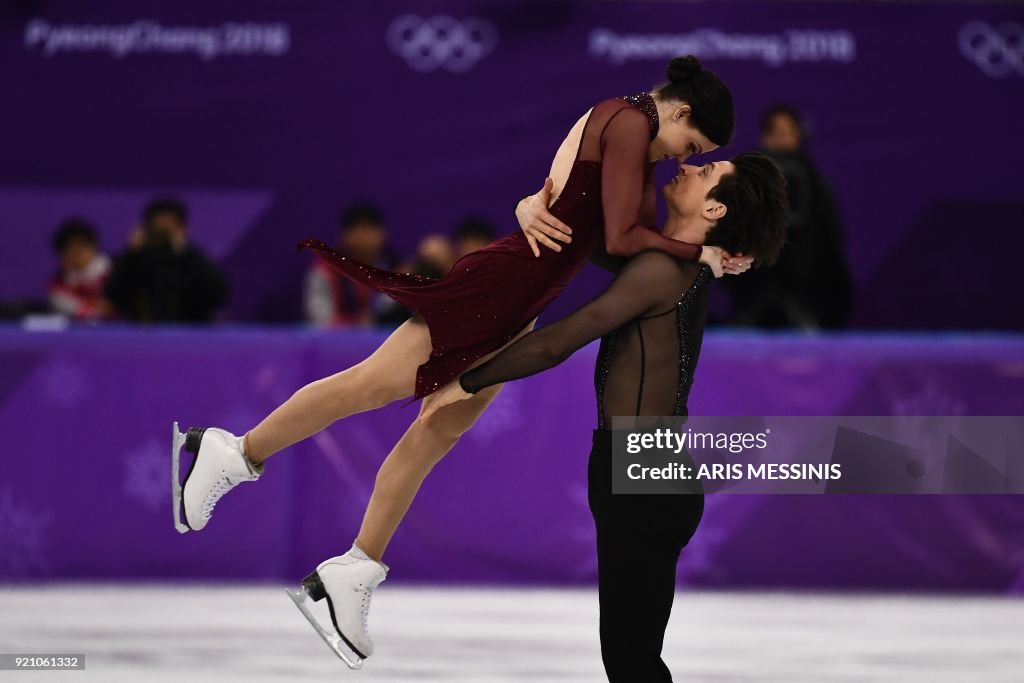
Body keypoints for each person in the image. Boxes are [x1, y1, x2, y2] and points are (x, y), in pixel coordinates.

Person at [173, 55, 752, 666]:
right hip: (500, 289)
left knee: (432, 432)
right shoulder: (632, 122)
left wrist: (538, 207)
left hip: (520, 297)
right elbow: (619, 242)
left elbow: (598, 239)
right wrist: (700, 255)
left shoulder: (629, 123)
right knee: (366, 387)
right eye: (692, 144)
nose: (682, 159)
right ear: (680, 111)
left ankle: (354, 571)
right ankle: (235, 453)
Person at [421, 153, 790, 682]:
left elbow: (559, 341)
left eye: (706, 171)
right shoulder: (673, 263)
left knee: (630, 660)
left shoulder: (665, 271)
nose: (688, 165)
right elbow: (600, 244)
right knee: (630, 656)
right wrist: (532, 209)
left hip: (642, 474)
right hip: (646, 470)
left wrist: (463, 381)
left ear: (714, 207)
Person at [724, 104, 853, 329]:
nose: (780, 141)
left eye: (787, 133)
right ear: (764, 137)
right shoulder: (742, 182)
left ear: (799, 136)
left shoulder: (816, 184)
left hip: (805, 291)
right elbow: (726, 235)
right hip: (752, 288)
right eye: (775, 133)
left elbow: (831, 241)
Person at [105, 198, 229, 323]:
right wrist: (131, 254)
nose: (165, 232)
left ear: (184, 228)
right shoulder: (136, 259)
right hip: (143, 333)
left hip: (190, 331)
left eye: (171, 227)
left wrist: (186, 253)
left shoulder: (194, 259)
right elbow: (113, 296)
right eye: (159, 227)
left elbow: (219, 294)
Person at [304, 202, 399, 327]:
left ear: (383, 233)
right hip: (338, 343)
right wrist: (357, 323)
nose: (362, 237)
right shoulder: (325, 271)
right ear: (344, 236)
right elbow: (320, 321)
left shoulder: (400, 272)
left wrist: (377, 320)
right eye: (356, 231)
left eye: (368, 230)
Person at [48, 218, 112, 321]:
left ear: (93, 247)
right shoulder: (57, 290)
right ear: (61, 256)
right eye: (69, 248)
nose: (76, 253)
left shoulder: (116, 274)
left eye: (81, 246)